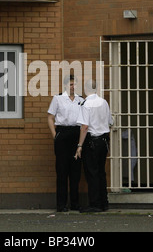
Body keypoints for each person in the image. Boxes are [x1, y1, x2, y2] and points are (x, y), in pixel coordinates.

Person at [75, 79, 113, 212]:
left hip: (92, 141)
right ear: (96, 88)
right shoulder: (104, 102)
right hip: (103, 140)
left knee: (92, 173)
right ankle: (104, 202)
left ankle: (95, 204)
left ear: (86, 89)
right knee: (101, 172)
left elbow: (84, 127)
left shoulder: (86, 104)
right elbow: (110, 121)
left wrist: (80, 145)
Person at [47, 75, 84, 212]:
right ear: (65, 86)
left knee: (75, 172)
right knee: (62, 171)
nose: (73, 87)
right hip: (62, 134)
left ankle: (75, 203)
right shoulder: (58, 99)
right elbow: (50, 118)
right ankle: (61, 204)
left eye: (75, 84)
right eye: (71, 84)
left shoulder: (81, 100)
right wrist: (55, 136)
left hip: (76, 134)